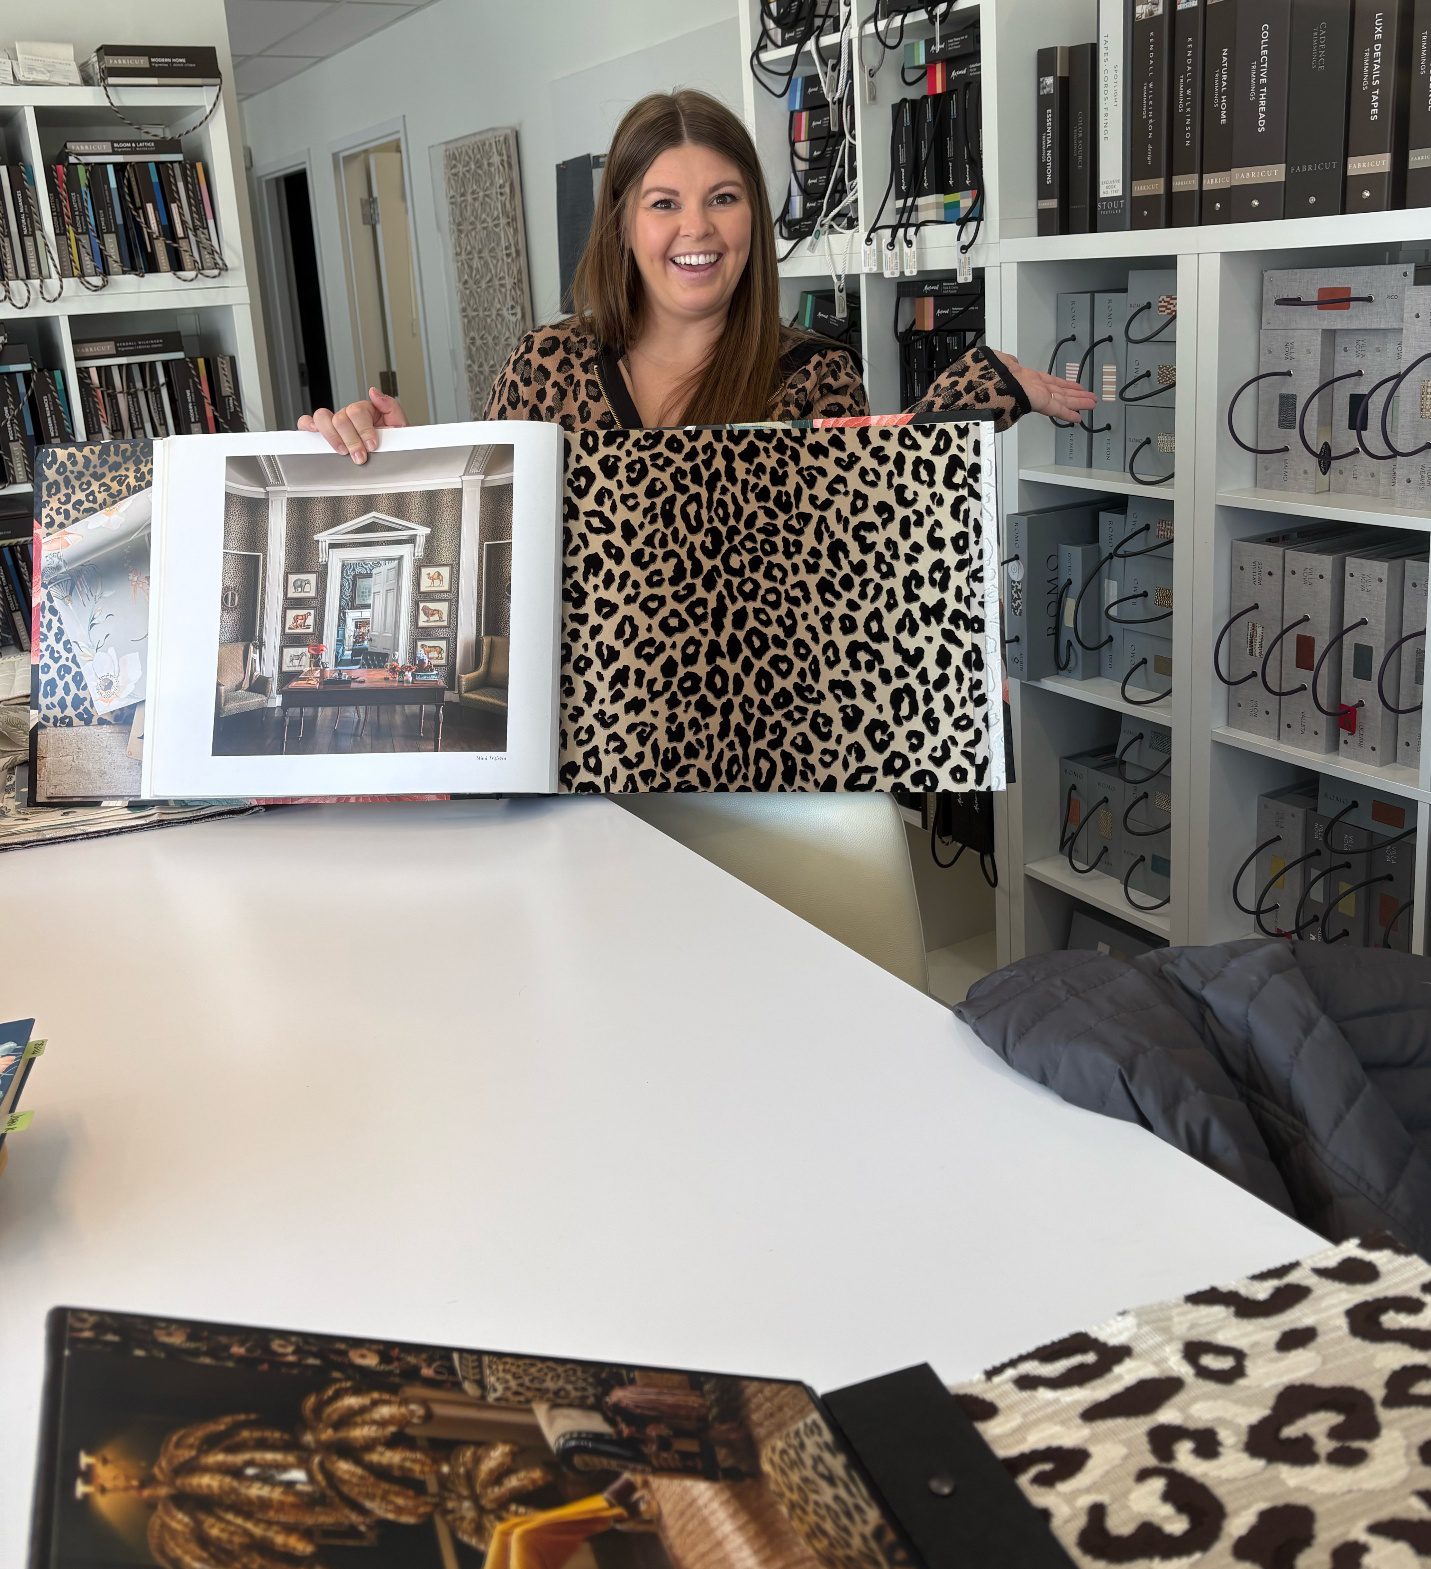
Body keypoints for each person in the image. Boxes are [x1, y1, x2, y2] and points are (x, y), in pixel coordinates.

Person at [300, 89, 1095, 458]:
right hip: (585, 760)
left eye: (722, 197)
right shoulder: (542, 367)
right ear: (619, 222)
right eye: (662, 203)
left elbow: (855, 556)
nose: (696, 230)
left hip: (758, 754)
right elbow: (497, 554)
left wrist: (968, 399)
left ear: (753, 214)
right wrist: (403, 470)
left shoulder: (814, 375)